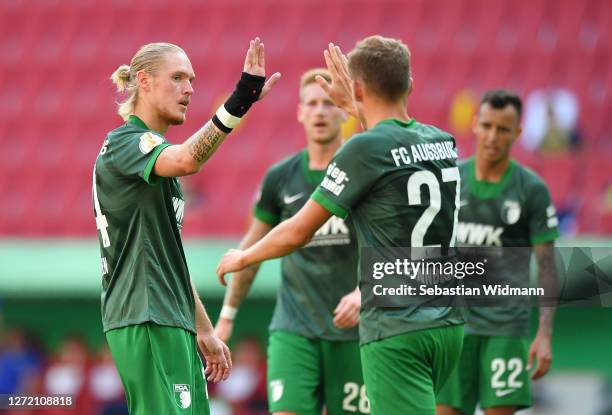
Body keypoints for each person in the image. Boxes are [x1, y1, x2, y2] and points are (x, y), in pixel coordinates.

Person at [216, 36, 464, 415]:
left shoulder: (362, 151)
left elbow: (298, 230)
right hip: (446, 321)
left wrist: (244, 255)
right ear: (410, 85)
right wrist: (359, 106)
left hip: (395, 323)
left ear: (357, 89)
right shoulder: (443, 142)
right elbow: (392, 144)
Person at [93, 39, 280, 415]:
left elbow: (168, 257)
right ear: (143, 82)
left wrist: (205, 330)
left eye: (191, 80)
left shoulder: (152, 155)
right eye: (177, 78)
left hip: (170, 316)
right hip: (144, 313)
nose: (190, 89)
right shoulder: (126, 143)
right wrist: (240, 99)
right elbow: (188, 159)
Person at [214, 68, 365, 415]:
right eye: (311, 103)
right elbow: (250, 253)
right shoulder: (281, 178)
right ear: (299, 112)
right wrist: (227, 316)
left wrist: (365, 292)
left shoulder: (362, 172)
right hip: (294, 330)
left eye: (328, 104)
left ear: (344, 110)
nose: (320, 112)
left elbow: (389, 241)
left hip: (353, 330)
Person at [436, 90, 559, 415]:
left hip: (505, 329)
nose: (493, 136)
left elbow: (547, 266)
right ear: (474, 124)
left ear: (517, 133)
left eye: (503, 129)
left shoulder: (530, 189)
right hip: (453, 327)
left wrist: (544, 334)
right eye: (487, 125)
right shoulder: (451, 181)